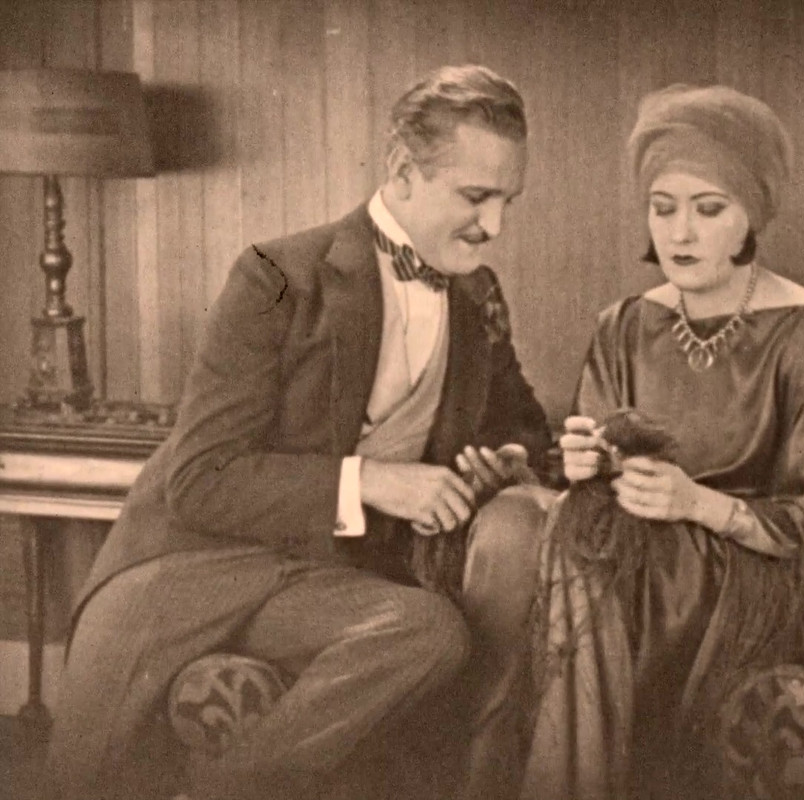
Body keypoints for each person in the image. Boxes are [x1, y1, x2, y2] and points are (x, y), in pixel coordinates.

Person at [46, 64, 551, 800]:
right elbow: (201, 480)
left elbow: (524, 427)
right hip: (186, 571)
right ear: (402, 172)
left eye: (508, 201)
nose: (494, 226)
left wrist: (503, 460)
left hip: (324, 582)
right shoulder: (275, 275)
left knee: (433, 633)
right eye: (476, 197)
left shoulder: (477, 294)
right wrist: (371, 482)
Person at [464, 84, 804, 800]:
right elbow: (594, 471)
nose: (681, 233)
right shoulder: (624, 325)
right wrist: (582, 464)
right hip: (635, 559)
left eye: (709, 209)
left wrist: (693, 502)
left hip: (752, 570)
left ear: (750, 215)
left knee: (580, 551)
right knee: (547, 526)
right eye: (663, 209)